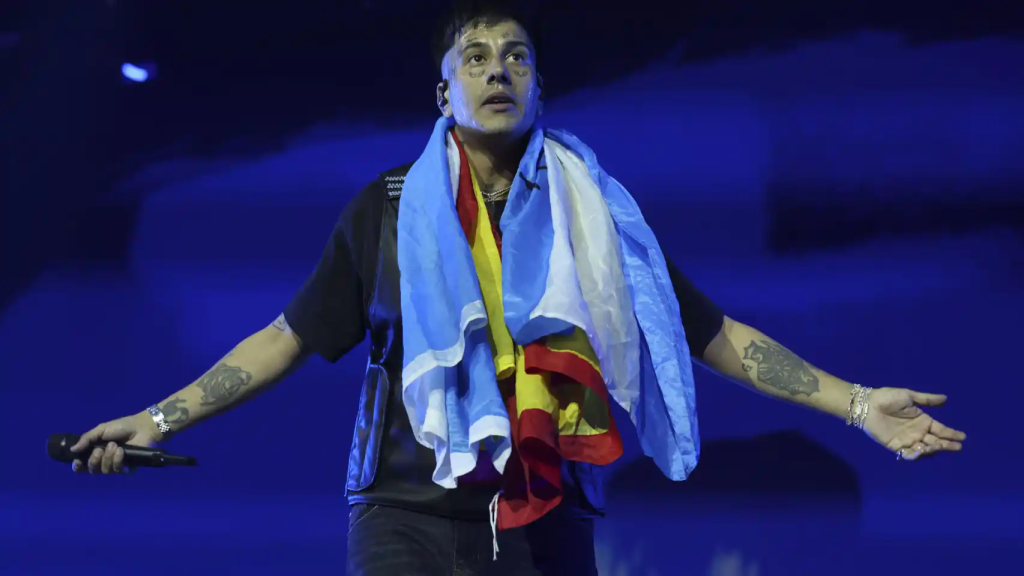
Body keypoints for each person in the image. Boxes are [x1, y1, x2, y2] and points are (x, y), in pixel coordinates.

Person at [69, 3, 967, 575]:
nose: (497, 69)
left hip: (548, 523)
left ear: (540, 87)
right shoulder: (384, 211)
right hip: (402, 518)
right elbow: (285, 337)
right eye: (475, 56)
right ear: (443, 91)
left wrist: (857, 405)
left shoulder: (597, 217)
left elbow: (707, 331)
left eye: (516, 57)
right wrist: (156, 421)